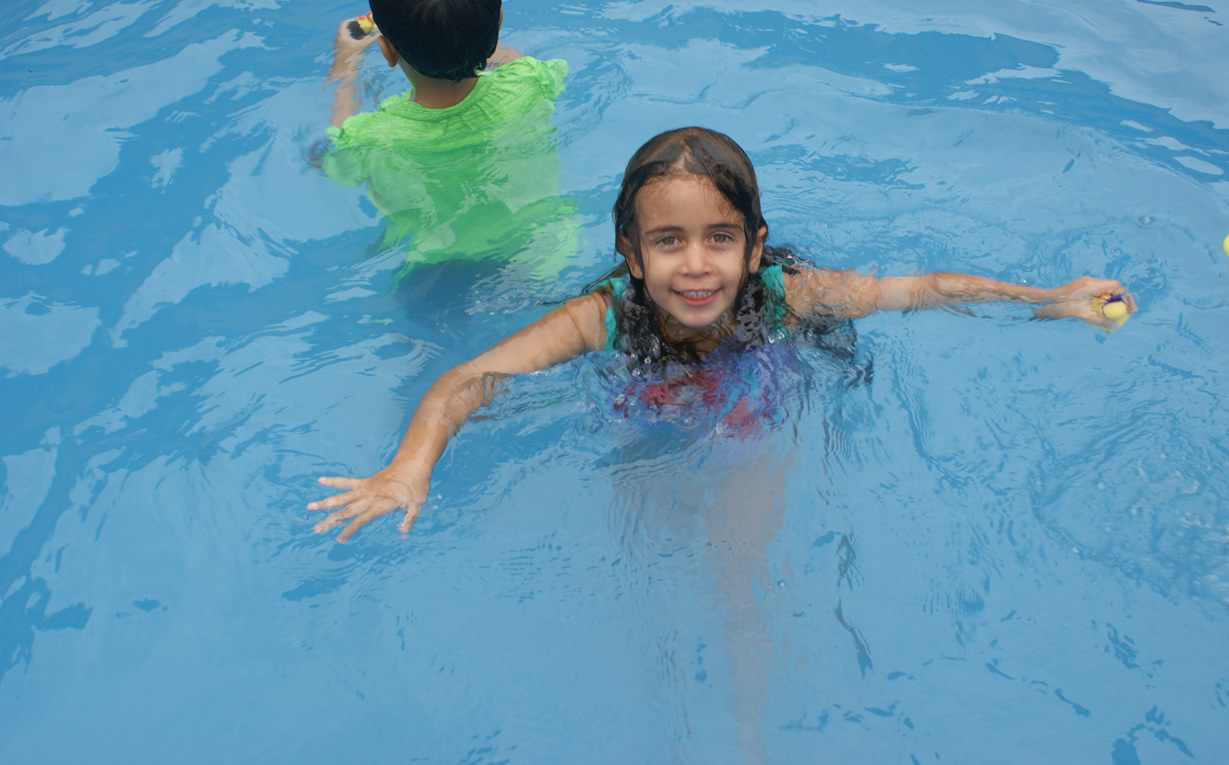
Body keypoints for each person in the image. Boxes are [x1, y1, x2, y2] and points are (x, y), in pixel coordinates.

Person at [308, 126, 1137, 542]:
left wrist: (1047, 296)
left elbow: (917, 288)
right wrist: (408, 466)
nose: (697, 264)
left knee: (743, 562)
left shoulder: (785, 296)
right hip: (645, 410)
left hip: (751, 400)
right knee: (644, 536)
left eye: (720, 238)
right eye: (668, 241)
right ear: (632, 254)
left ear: (754, 245)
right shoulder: (601, 315)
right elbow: (467, 380)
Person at [322, 0, 573, 279]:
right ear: (498, 24)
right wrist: (470, 39)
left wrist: (345, 63)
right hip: (544, 251)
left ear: (387, 50)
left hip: (438, 270)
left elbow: (337, 161)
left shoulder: (374, 136)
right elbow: (517, 61)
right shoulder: (528, 82)